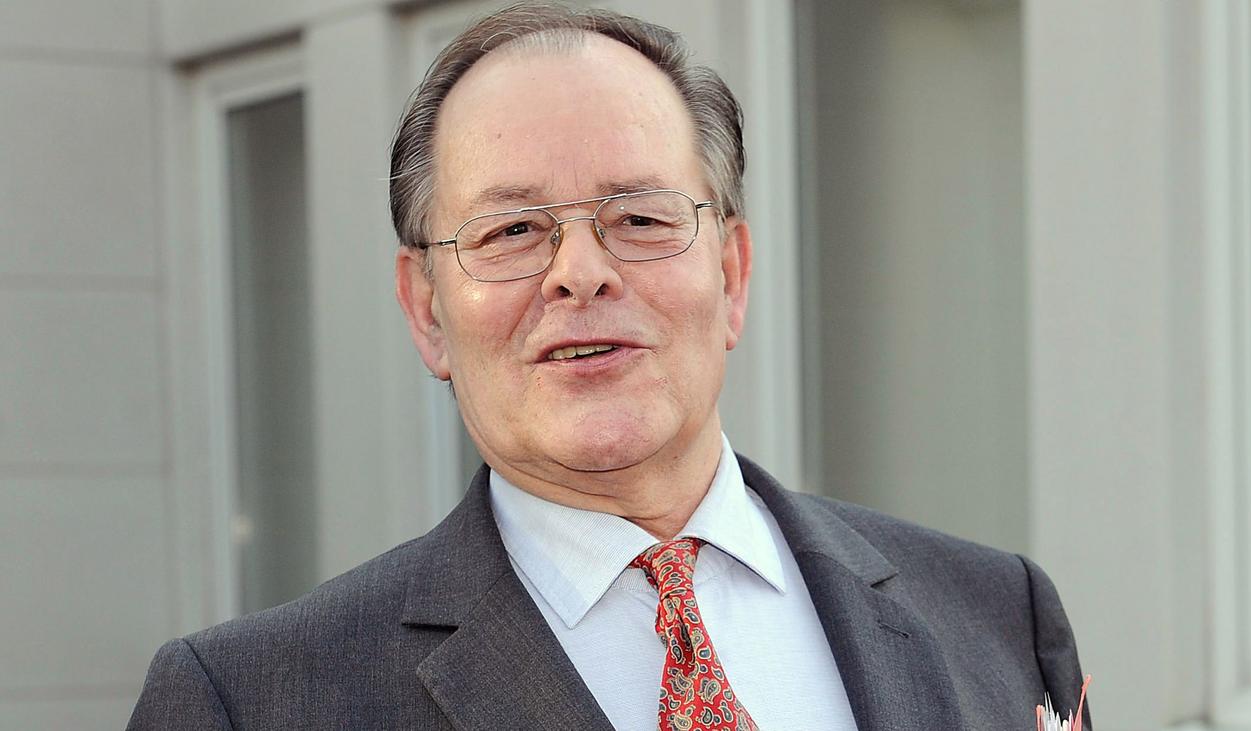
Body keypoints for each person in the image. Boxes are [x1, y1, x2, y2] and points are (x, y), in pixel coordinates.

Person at [129, 3, 1090, 729]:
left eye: (639, 217)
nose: (580, 272)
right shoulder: (251, 701)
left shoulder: (998, 614)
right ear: (426, 308)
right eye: (512, 231)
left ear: (732, 272)